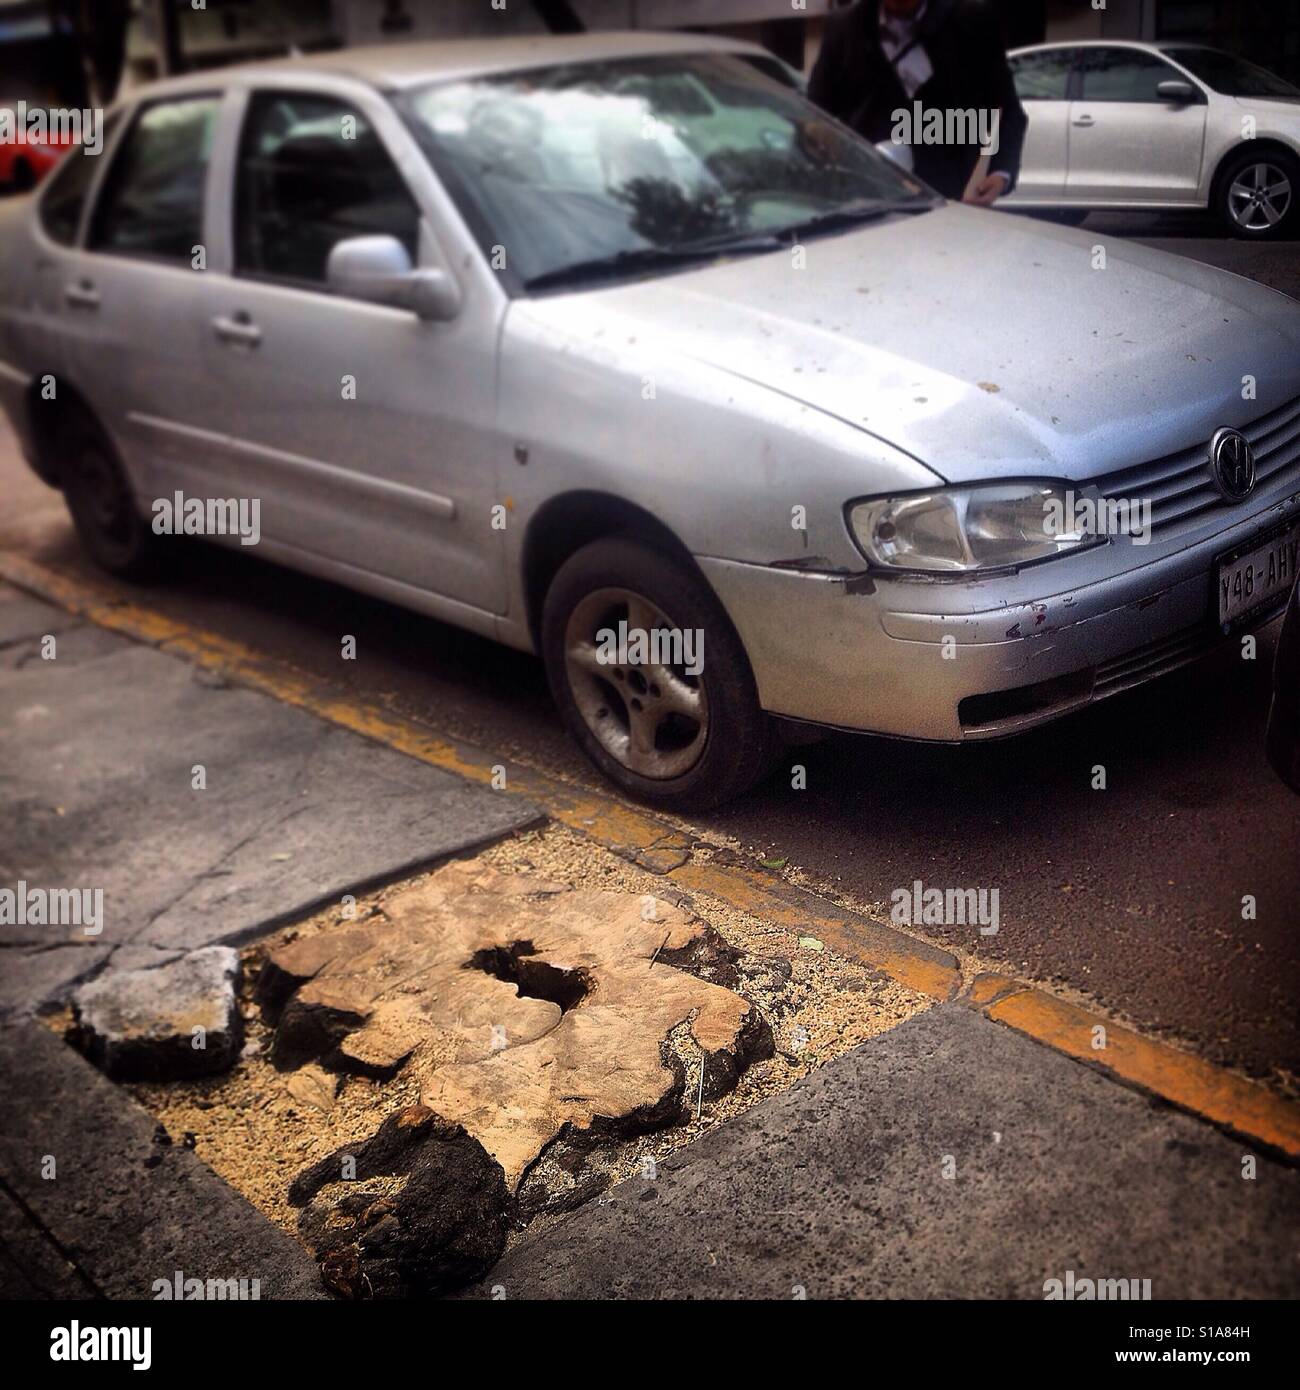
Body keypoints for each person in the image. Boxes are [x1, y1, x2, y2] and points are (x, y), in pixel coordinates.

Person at [808, 0, 1027, 205]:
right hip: (867, 202)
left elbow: (1009, 110)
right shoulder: (844, 27)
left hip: (949, 200)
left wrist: (1001, 173)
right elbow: (814, 114)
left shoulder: (972, 20)